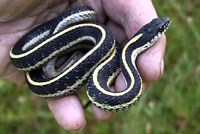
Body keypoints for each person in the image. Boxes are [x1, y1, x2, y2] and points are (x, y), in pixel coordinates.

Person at [0, 0, 167, 131]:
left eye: (161, 29)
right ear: (149, 38)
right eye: (161, 29)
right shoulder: (113, 45)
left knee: (104, 43)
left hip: (90, 38)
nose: (163, 28)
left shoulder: (123, 52)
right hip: (46, 46)